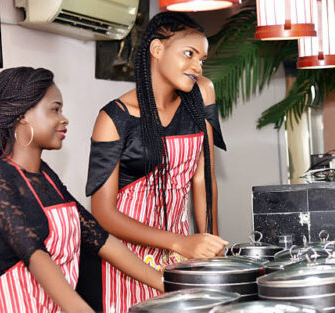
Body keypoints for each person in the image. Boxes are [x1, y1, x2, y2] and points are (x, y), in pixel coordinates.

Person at [78, 12, 229, 313]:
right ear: (157, 50)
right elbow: (103, 214)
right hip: (123, 259)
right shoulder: (114, 117)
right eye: (189, 54)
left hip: (179, 252)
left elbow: (203, 178)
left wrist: (209, 245)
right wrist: (179, 242)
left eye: (202, 59)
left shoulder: (202, 93)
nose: (197, 67)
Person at [0, 67, 164, 313]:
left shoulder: (45, 175)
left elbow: (99, 238)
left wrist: (165, 283)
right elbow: (35, 255)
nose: (64, 119)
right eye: (55, 109)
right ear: (23, 115)